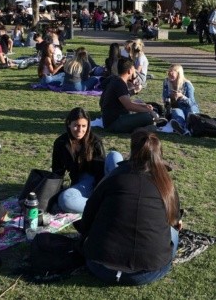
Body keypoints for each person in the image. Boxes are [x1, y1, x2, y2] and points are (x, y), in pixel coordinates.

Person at [73, 130, 182, 286]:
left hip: (100, 266)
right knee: (173, 232)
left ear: (132, 151)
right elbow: (174, 220)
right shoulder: (166, 184)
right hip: (148, 272)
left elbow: (88, 216)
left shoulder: (114, 177)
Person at [52, 107, 124, 213]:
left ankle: (121, 196)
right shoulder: (61, 143)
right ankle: (105, 206)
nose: (80, 130)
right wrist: (54, 192)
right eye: (76, 125)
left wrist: (99, 190)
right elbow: (57, 170)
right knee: (65, 200)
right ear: (69, 124)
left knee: (114, 155)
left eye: (83, 126)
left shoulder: (95, 141)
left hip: (102, 180)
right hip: (83, 183)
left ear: (88, 126)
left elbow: (101, 169)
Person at [99, 58, 156, 134]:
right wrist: (148, 111)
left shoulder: (115, 80)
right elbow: (129, 106)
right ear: (129, 70)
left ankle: (141, 128)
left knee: (140, 103)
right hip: (114, 123)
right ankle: (139, 130)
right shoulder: (120, 84)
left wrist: (144, 106)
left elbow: (125, 102)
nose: (135, 72)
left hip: (111, 118)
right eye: (134, 69)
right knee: (148, 117)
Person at [162, 64, 200, 135]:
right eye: (169, 71)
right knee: (176, 112)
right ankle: (182, 129)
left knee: (191, 114)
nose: (170, 73)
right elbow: (165, 99)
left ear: (179, 74)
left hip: (188, 107)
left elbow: (192, 103)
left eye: (173, 71)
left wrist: (182, 96)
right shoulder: (166, 82)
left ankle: (190, 127)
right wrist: (170, 97)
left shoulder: (187, 85)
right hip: (177, 107)